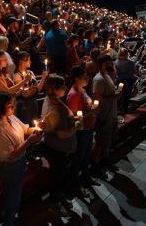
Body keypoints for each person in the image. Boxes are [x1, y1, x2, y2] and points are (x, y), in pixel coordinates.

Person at [0, 91, 42, 226]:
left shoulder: (11, 118)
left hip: (19, 163)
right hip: (9, 168)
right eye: (9, 105)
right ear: (0, 107)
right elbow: (10, 155)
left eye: (13, 104)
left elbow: (25, 129)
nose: (13, 107)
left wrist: (38, 127)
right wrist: (29, 142)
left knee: (15, 196)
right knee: (11, 203)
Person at [41, 75, 83, 217]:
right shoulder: (55, 109)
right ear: (55, 89)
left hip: (58, 148)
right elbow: (62, 133)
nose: (66, 87)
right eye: (63, 86)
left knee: (61, 175)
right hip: (58, 149)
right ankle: (54, 203)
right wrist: (76, 126)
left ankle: (59, 195)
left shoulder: (53, 101)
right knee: (59, 177)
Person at [66, 66, 101, 198]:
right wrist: (92, 111)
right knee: (78, 159)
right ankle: (76, 185)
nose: (87, 79)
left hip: (88, 128)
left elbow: (87, 107)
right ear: (76, 79)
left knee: (86, 155)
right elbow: (74, 116)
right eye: (84, 77)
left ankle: (86, 177)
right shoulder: (74, 95)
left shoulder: (83, 90)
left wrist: (93, 108)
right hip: (81, 131)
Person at [91, 55, 122, 180]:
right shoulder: (98, 80)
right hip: (103, 115)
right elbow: (97, 97)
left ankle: (105, 160)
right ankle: (94, 166)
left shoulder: (107, 76)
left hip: (111, 114)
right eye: (110, 63)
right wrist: (114, 97)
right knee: (99, 142)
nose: (112, 65)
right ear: (103, 64)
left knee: (107, 140)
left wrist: (117, 93)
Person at [12, 50, 49, 124]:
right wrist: (34, 90)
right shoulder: (17, 75)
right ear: (21, 61)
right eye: (28, 60)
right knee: (25, 124)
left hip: (34, 101)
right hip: (24, 105)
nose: (30, 62)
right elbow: (25, 94)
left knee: (33, 124)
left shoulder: (30, 73)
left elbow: (38, 89)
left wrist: (43, 78)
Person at [115, 48, 137, 114]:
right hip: (128, 80)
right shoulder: (130, 63)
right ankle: (125, 109)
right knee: (127, 95)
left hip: (119, 80)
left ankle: (118, 107)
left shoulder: (116, 62)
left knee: (119, 94)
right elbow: (135, 72)